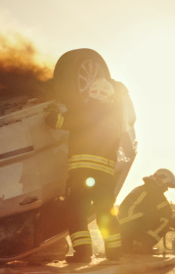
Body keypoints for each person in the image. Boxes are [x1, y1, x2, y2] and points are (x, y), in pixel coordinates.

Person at [46, 67, 123, 263]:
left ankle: (83, 254)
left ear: (89, 94)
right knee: (106, 214)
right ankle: (114, 253)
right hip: (105, 177)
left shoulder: (84, 111)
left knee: (76, 213)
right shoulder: (114, 119)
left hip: (82, 175)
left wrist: (52, 109)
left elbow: (56, 122)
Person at [118, 168, 175, 254]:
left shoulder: (143, 188)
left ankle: (135, 244)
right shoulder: (154, 191)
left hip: (122, 228)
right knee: (167, 219)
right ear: (160, 181)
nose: (166, 189)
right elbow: (167, 212)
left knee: (156, 214)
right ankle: (143, 244)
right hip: (133, 228)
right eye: (166, 186)